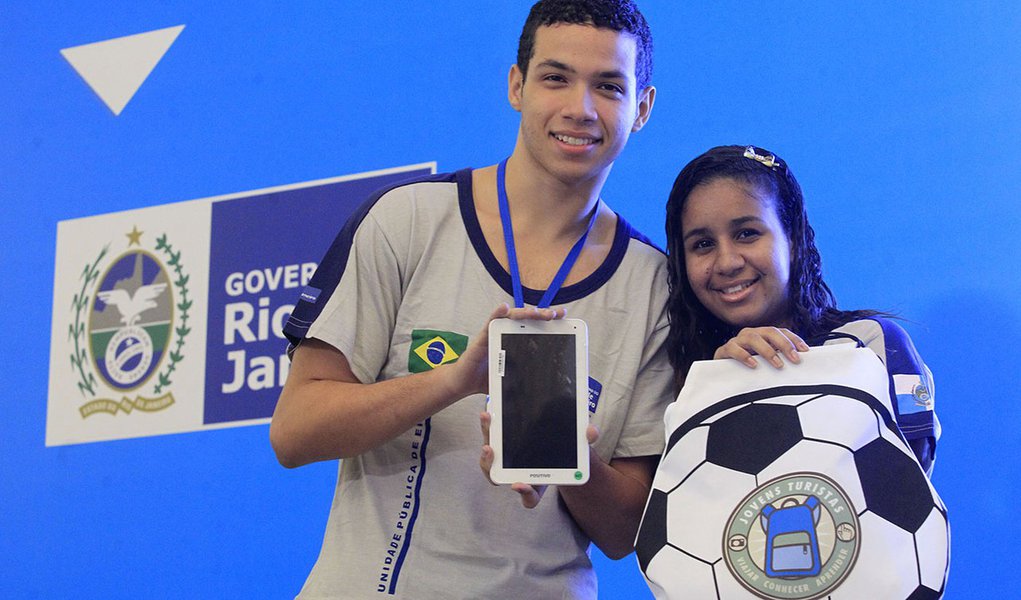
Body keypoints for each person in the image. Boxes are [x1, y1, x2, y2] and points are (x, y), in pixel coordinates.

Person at [269, 1, 674, 598]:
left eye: (608, 87)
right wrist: (457, 380)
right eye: (555, 77)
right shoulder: (406, 219)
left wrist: (569, 458)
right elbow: (294, 432)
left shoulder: (654, 285)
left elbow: (625, 536)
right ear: (517, 85)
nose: (579, 108)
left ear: (641, 109)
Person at [663, 144, 939, 473]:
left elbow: (908, 476)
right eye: (703, 244)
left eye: (747, 234)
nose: (727, 262)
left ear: (792, 240)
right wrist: (717, 388)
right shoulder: (687, 377)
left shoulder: (868, 344)